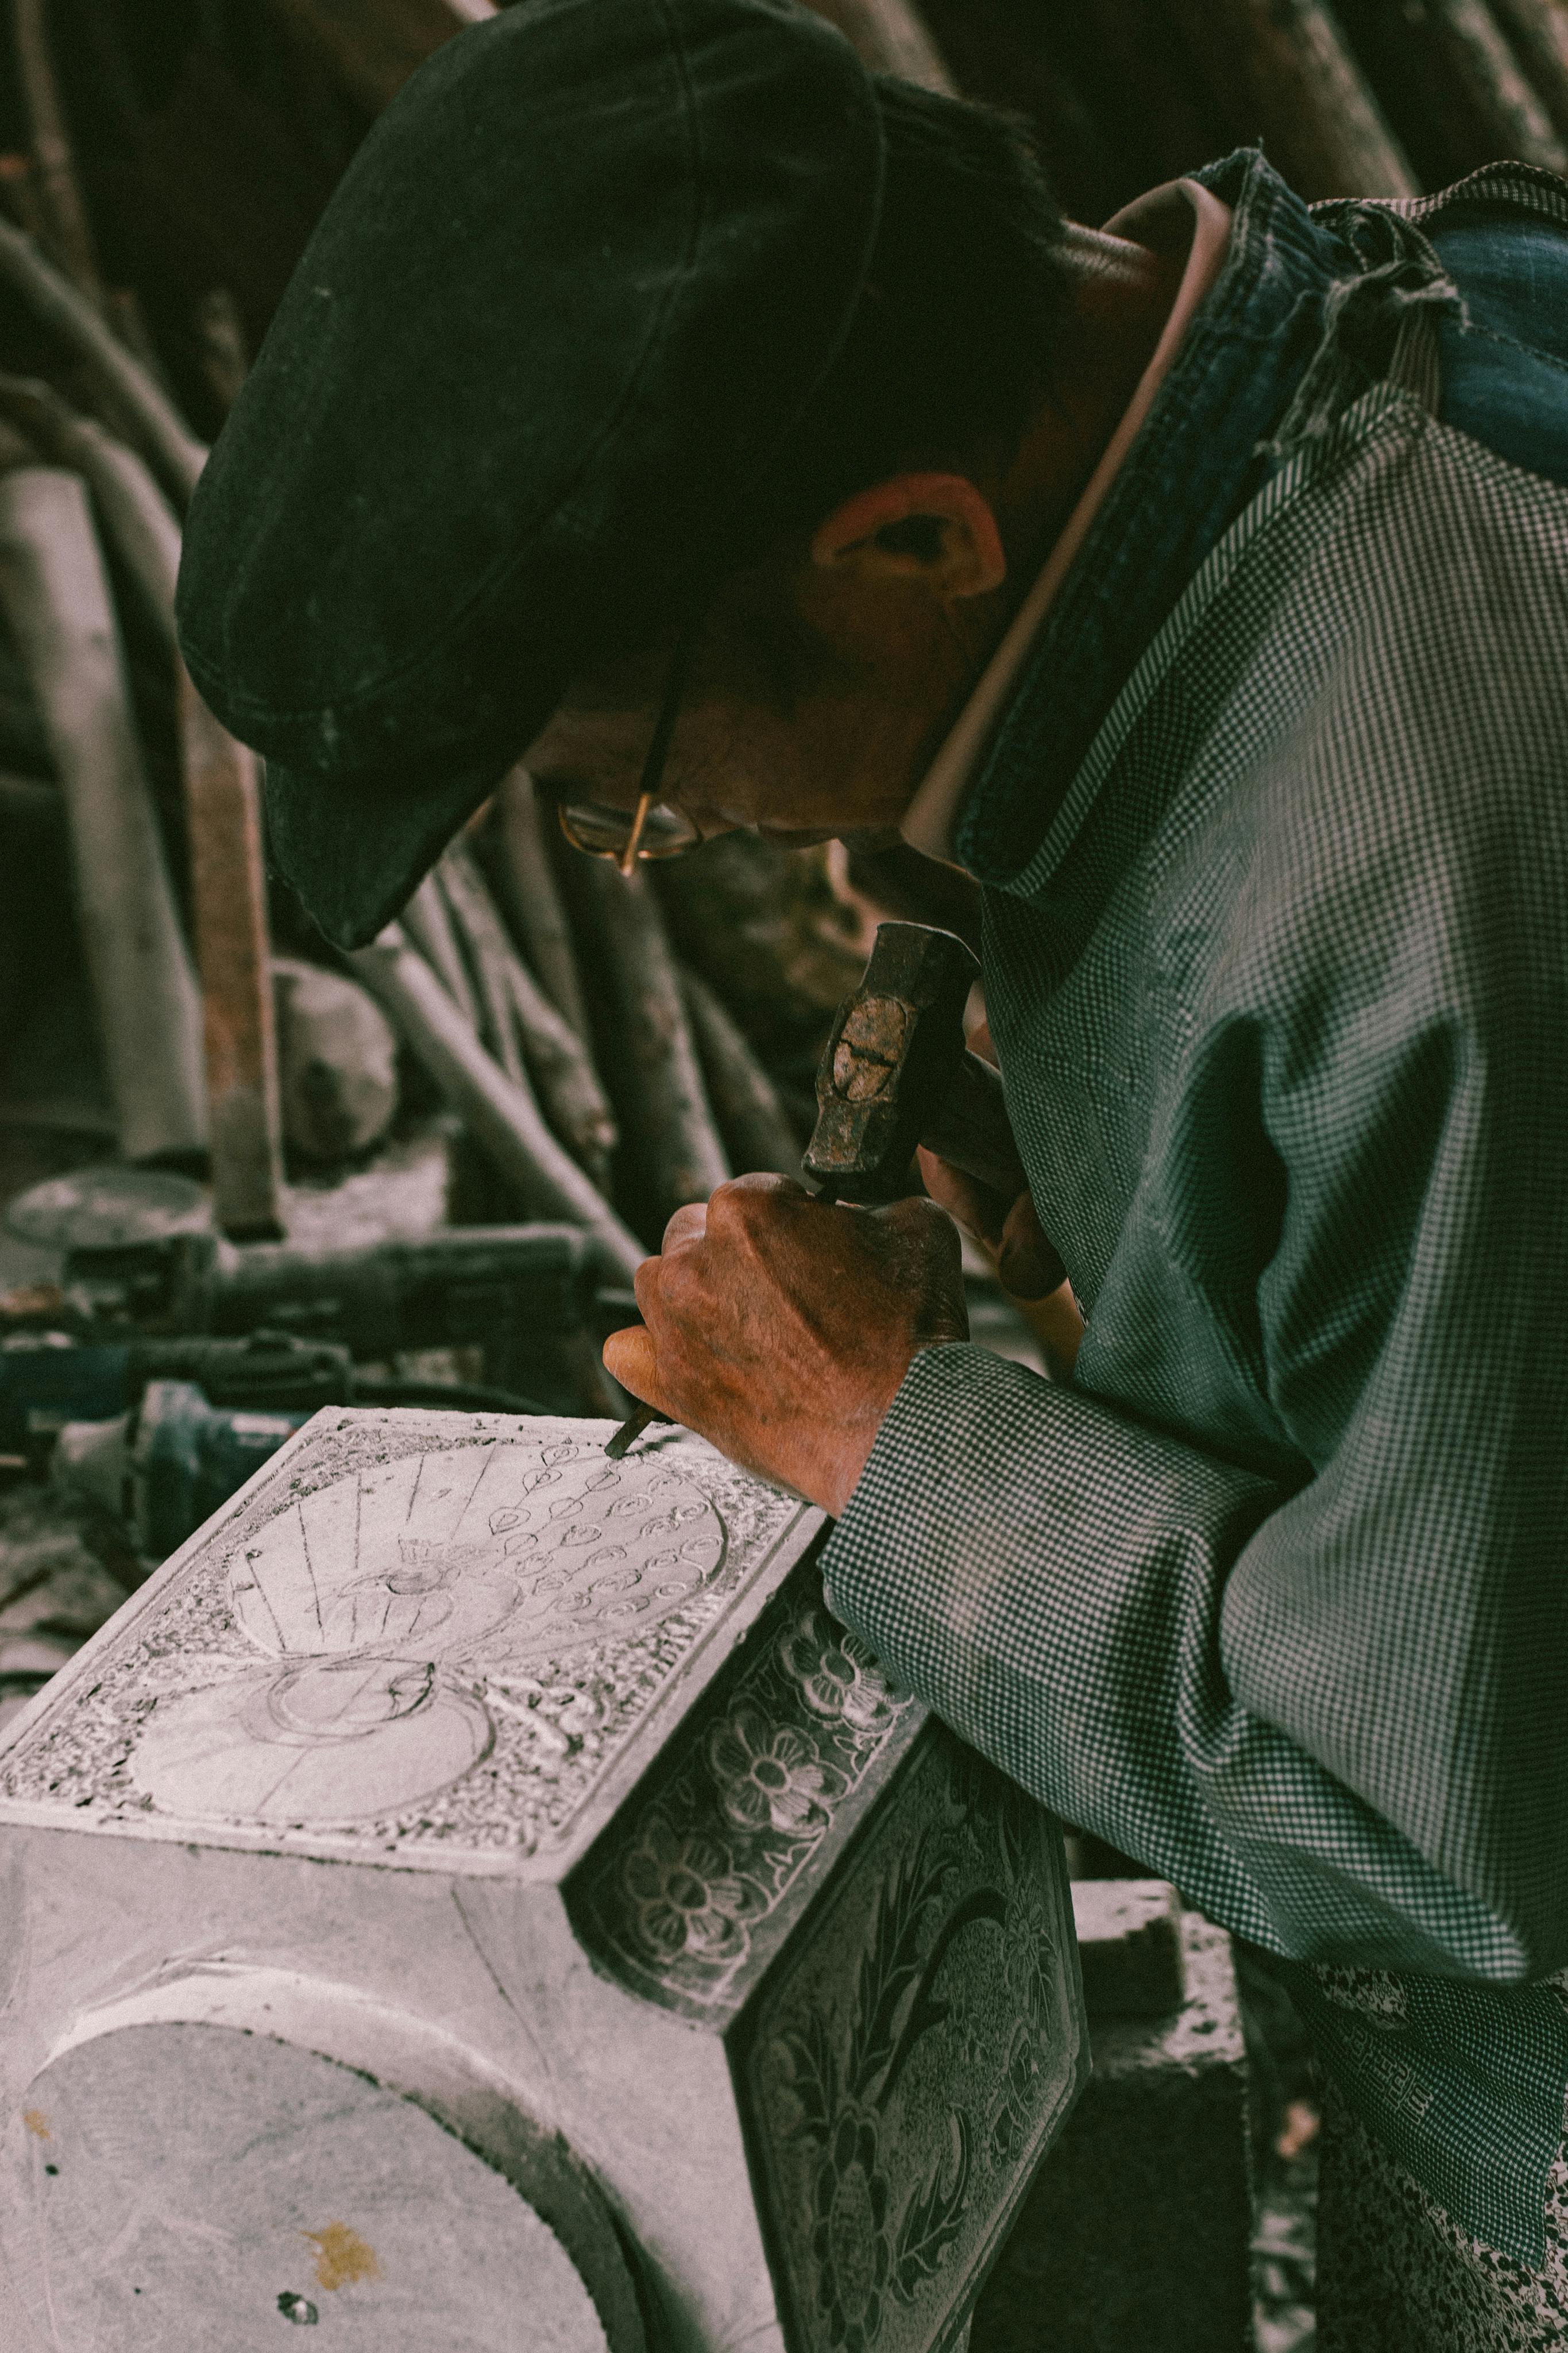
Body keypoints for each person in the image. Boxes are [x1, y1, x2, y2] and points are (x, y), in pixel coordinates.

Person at [176, 2, 1568, 2340]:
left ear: (912, 537)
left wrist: (901, 1448)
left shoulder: (1435, 865)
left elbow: (1441, 1844)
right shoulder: (1374, 330)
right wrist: (1156, 1275)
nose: (702, 841)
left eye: (648, 786)